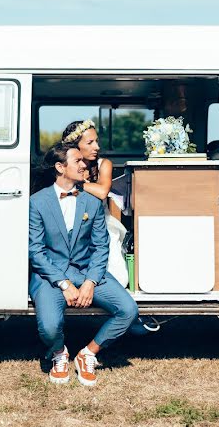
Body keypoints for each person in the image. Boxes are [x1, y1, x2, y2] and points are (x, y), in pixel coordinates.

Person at [28, 144, 139, 386]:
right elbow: (36, 251)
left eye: (83, 161)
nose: (84, 165)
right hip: (51, 277)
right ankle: (58, 352)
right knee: (49, 326)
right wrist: (64, 283)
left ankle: (88, 354)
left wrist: (90, 282)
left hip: (87, 272)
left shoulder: (91, 202)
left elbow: (101, 247)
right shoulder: (37, 202)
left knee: (128, 310)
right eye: (77, 160)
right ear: (60, 167)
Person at [61, 120, 160, 336]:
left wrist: (77, 182)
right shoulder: (65, 165)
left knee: (120, 276)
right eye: (91, 142)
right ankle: (123, 313)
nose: (97, 146)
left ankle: (118, 310)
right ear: (76, 146)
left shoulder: (103, 164)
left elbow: (102, 191)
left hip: (102, 226)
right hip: (73, 228)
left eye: (97, 141)